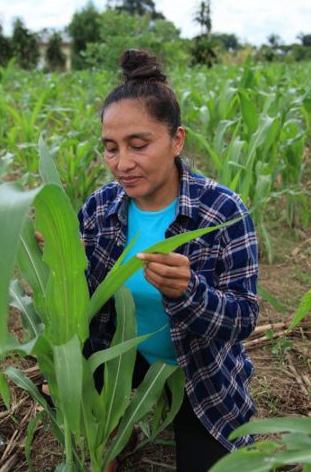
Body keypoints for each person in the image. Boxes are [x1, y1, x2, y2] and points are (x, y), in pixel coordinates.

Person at [78, 48, 259, 472]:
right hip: (119, 363)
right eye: (110, 148)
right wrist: (60, 264)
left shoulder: (221, 212)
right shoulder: (101, 208)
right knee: (88, 441)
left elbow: (243, 317)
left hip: (199, 374)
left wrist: (190, 292)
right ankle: (113, 426)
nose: (122, 164)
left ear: (177, 140)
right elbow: (85, 308)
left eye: (138, 145)